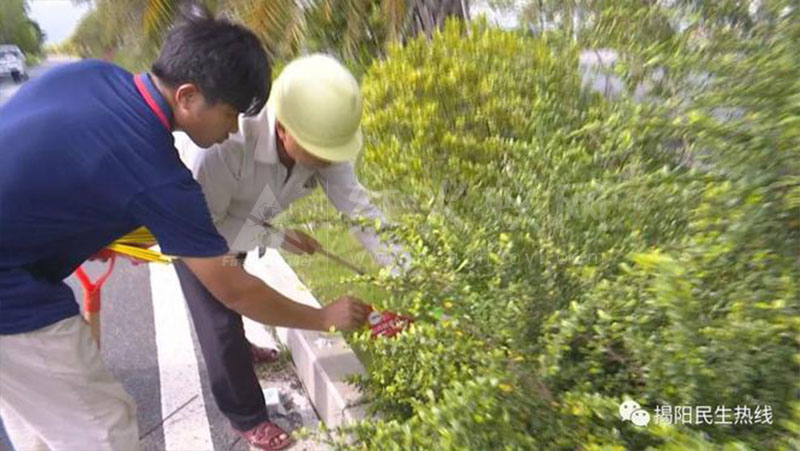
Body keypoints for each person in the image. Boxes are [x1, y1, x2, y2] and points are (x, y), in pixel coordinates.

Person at [0, 13, 369, 451]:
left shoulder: (93, 75)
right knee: (104, 430)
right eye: (230, 114)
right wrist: (322, 318)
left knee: (43, 428)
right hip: (11, 292)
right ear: (188, 96)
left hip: (21, 264)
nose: (234, 129)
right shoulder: (165, 176)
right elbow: (234, 289)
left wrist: (88, 230)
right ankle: (246, 414)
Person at [172, 54, 408, 449]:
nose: (329, 162)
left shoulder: (322, 143)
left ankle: (243, 346)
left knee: (238, 273)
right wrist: (276, 239)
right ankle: (246, 415)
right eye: (321, 153)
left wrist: (410, 272)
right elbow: (208, 232)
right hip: (195, 229)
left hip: (250, 209)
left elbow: (361, 212)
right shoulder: (221, 147)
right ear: (282, 129)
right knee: (219, 319)